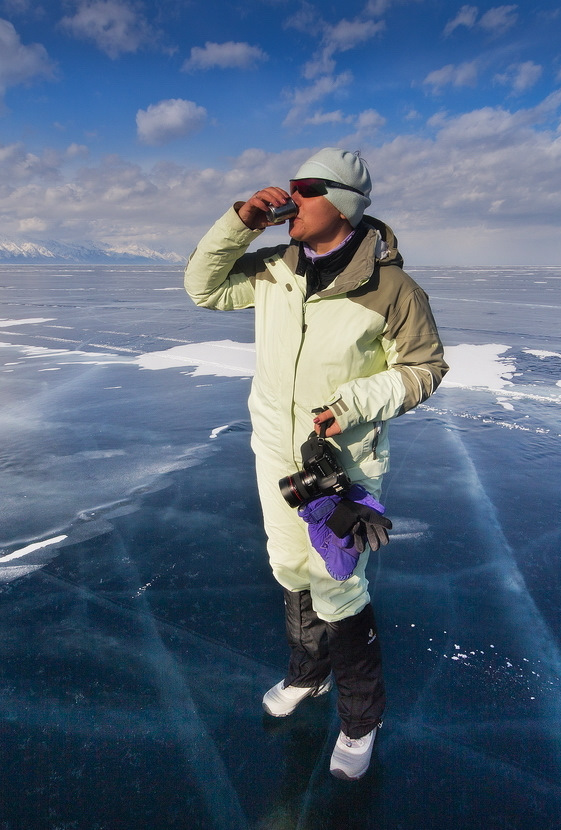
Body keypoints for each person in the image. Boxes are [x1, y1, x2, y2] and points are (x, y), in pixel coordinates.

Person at [184, 148, 448, 780]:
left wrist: (353, 403)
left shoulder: (393, 290)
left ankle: (361, 720)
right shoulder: (275, 268)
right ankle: (308, 675)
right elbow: (203, 288)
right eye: (292, 187)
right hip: (275, 451)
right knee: (288, 565)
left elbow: (425, 369)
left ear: (344, 203)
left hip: (342, 465)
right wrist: (241, 220)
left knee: (339, 584)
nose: (290, 198)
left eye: (306, 188)